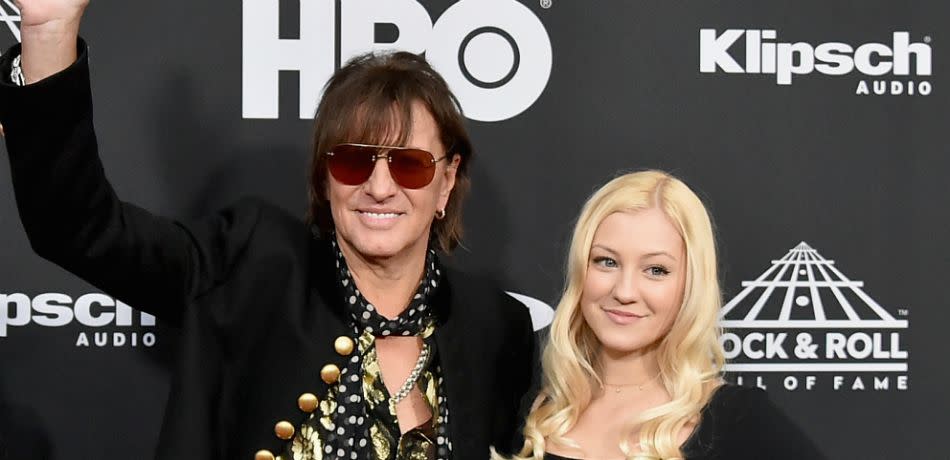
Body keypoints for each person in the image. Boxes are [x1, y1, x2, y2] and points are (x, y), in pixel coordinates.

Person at [0, 1, 535, 459]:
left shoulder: (496, 327)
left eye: (409, 165)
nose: (378, 186)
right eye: (353, 161)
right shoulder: (250, 265)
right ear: (325, 179)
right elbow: (78, 226)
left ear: (446, 182)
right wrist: (49, 33)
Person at [505, 171, 824, 459]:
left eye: (656, 270)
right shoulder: (528, 405)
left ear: (690, 284)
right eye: (606, 261)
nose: (625, 291)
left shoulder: (739, 419)